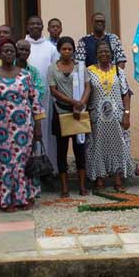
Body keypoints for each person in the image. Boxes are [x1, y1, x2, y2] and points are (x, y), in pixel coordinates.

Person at [0, 38, 45, 211]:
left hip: (23, 127)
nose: (9, 54)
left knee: (23, 160)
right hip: (0, 128)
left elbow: (35, 101)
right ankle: (6, 199)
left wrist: (38, 127)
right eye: (5, 51)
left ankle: (25, 196)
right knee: (4, 161)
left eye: (11, 51)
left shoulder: (25, 76)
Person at [86, 41, 133, 191]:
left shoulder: (118, 71)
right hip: (97, 118)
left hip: (116, 117)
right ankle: (99, 178)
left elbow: (126, 94)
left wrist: (127, 114)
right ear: (96, 54)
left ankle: (117, 179)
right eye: (101, 51)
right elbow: (86, 93)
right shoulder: (89, 71)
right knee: (97, 146)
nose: (104, 54)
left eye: (107, 51)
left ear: (112, 54)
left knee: (118, 146)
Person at [48, 36, 90, 197]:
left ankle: (82, 186)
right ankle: (64, 188)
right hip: (61, 112)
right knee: (62, 150)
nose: (67, 51)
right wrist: (73, 102)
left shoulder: (80, 67)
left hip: (79, 112)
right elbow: (54, 91)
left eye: (70, 49)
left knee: (80, 150)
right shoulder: (52, 68)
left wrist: (81, 104)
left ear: (73, 50)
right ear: (59, 50)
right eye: (64, 49)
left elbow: (88, 87)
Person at [25, 15, 59, 171]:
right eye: (32, 24)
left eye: (38, 24)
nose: (35, 26)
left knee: (46, 133)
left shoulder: (50, 48)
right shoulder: (22, 45)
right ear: (27, 27)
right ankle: (30, 169)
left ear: (42, 26)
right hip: (24, 98)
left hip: (46, 98)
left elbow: (55, 71)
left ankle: (48, 169)